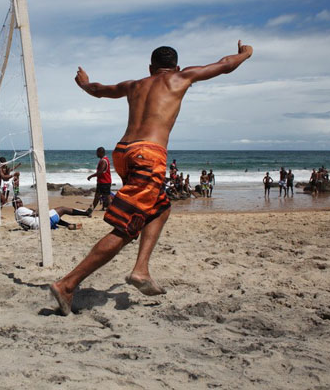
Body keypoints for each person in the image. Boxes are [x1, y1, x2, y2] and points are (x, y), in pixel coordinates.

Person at [50, 41, 253, 315]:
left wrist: (83, 84)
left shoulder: (135, 85)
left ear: (150, 68)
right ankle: (68, 283)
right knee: (127, 227)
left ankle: (141, 270)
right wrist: (246, 54)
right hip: (149, 154)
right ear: (176, 67)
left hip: (123, 152)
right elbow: (224, 65)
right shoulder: (182, 77)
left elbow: (98, 91)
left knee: (160, 207)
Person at [12, 197, 91, 231]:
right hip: (42, 224)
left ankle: (68, 225)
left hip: (36, 226)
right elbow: (37, 213)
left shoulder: (16, 214)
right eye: (17, 203)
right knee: (62, 209)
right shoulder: (20, 209)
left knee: (52, 214)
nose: (19, 204)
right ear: (14, 205)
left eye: (20, 202)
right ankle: (86, 213)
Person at [87, 147, 112, 211]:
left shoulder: (103, 161)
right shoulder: (104, 159)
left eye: (97, 152)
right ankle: (92, 209)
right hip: (102, 182)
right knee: (97, 196)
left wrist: (91, 176)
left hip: (104, 182)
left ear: (101, 152)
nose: (96, 154)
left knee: (107, 197)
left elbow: (100, 172)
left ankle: (111, 210)